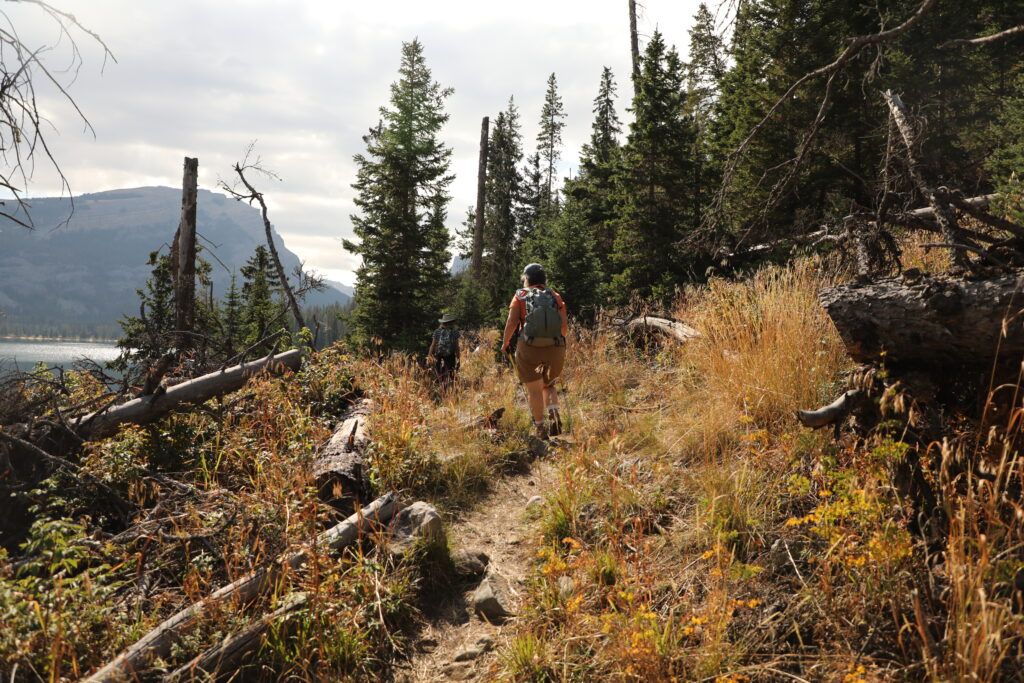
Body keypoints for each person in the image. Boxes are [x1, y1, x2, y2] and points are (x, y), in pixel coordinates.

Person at [501, 263, 568, 439]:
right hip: (555, 347)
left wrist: (506, 342)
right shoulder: (555, 296)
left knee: (534, 390)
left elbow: (512, 322)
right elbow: (564, 328)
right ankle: (554, 417)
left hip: (529, 347)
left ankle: (540, 428)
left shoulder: (520, 296)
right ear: (544, 279)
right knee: (549, 385)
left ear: (526, 278)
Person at [428, 313, 461, 393]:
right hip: (450, 355)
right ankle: (450, 390)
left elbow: (433, 345)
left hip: (439, 355)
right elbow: (456, 346)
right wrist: (458, 358)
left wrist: (429, 356)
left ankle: (439, 389)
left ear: (442, 322)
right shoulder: (455, 332)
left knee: (439, 373)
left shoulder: (437, 331)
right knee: (451, 373)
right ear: (452, 322)